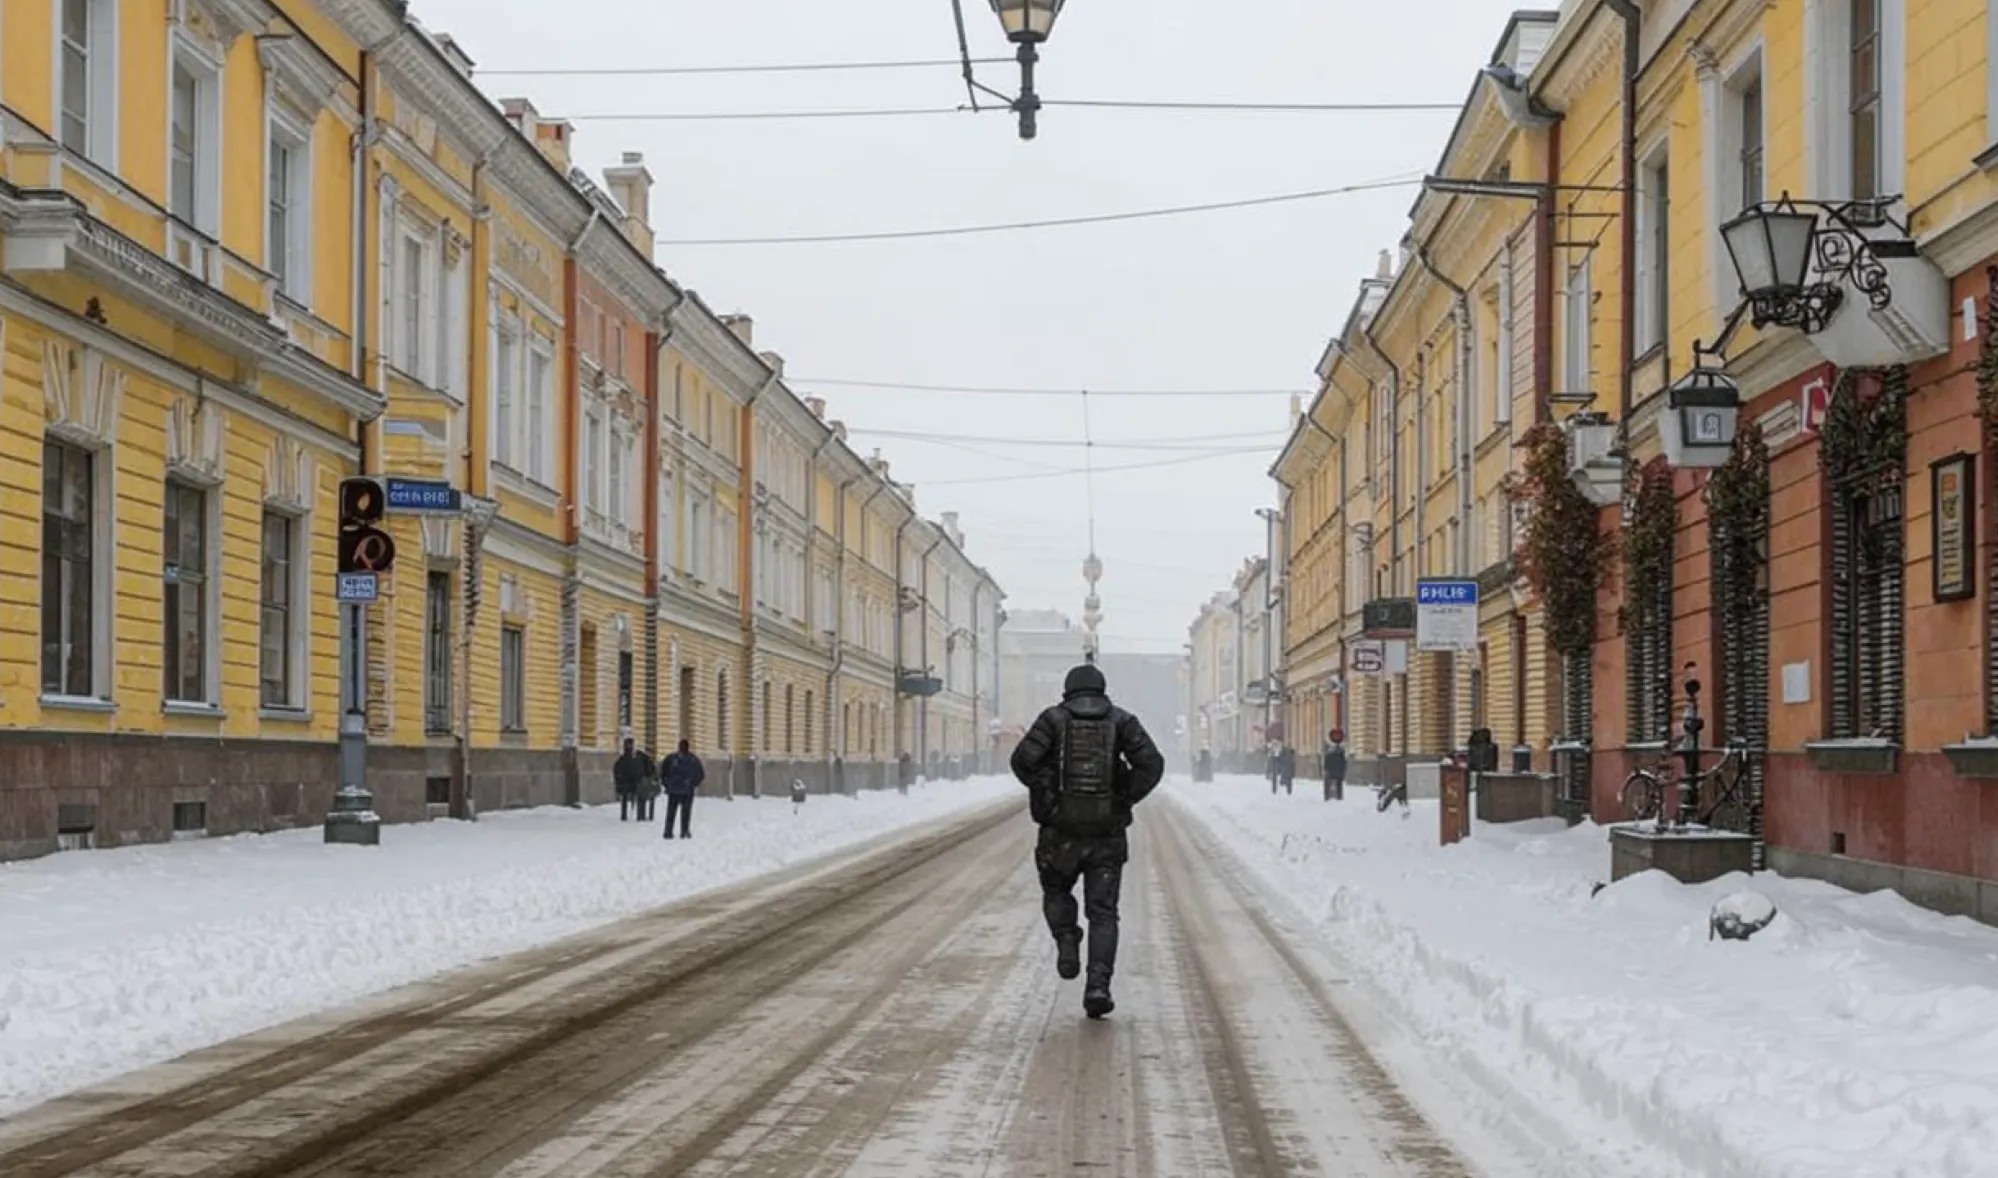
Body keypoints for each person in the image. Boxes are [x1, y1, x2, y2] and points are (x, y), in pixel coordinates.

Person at [1010, 661, 1165, 1020]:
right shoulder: (1122, 721)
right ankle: (1098, 986)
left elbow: (1022, 762)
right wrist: (1122, 796)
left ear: (1068, 690)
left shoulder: (1051, 720)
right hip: (1106, 838)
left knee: (1057, 891)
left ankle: (1066, 938)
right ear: (1101, 689)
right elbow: (1152, 765)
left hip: (1058, 835)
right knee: (1104, 912)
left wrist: (1048, 796)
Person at [660, 739, 705, 839]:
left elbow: (663, 773)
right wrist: (692, 784)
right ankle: (684, 831)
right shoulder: (693, 760)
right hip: (687, 792)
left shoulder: (671, 758)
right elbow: (700, 775)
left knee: (671, 813)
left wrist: (667, 785)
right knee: (686, 813)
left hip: (673, 791)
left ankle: (668, 832)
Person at [613, 737, 651, 822]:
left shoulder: (639, 755)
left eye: (630, 744)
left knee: (640, 798)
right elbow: (618, 770)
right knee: (628, 798)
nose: (629, 746)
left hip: (636, 781)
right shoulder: (625, 758)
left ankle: (640, 816)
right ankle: (627, 816)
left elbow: (648, 765)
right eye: (627, 744)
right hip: (629, 782)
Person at [1323, 730, 1347, 801]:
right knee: (1337, 784)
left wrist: (1326, 769)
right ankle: (1337, 796)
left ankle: (1330, 796)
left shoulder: (1330, 751)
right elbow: (1343, 762)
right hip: (1336, 771)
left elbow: (1327, 761)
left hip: (1333, 771)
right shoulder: (1340, 750)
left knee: (1332, 784)